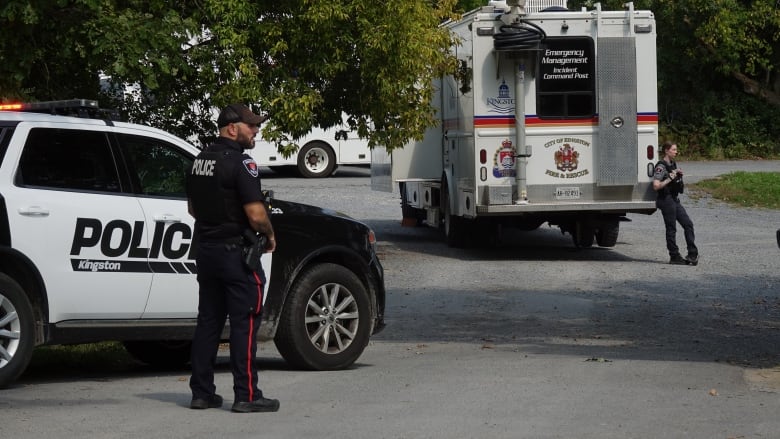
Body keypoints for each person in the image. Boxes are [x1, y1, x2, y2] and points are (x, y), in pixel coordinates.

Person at [186, 103, 280, 413]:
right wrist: (269, 235)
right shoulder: (242, 163)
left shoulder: (200, 160)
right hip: (236, 255)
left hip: (207, 252)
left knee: (208, 323)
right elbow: (255, 212)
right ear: (232, 128)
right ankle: (247, 395)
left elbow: (193, 210)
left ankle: (201, 393)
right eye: (251, 126)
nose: (256, 131)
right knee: (245, 324)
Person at [653, 141, 698, 266]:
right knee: (671, 228)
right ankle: (674, 255)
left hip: (674, 199)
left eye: (676, 149)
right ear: (666, 151)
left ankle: (692, 254)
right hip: (665, 200)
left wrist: (678, 175)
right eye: (673, 149)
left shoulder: (673, 164)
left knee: (688, 224)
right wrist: (669, 179)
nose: (676, 152)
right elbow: (656, 186)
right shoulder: (661, 166)